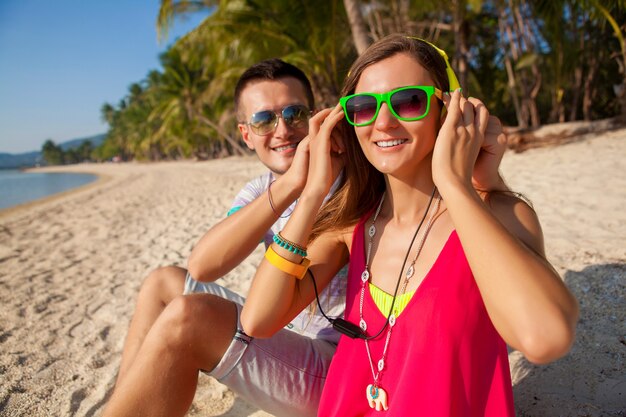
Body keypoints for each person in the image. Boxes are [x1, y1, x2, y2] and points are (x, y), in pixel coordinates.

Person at [241, 35, 579, 416]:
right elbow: (258, 319)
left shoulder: (496, 215)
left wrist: (456, 185)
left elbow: (544, 338)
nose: (384, 122)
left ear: (450, 111)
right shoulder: (352, 227)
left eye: (409, 101)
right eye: (364, 107)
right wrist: (313, 191)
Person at [103, 58, 347, 417]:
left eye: (294, 114)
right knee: (162, 282)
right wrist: (293, 183)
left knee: (190, 317)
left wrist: (308, 181)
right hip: (288, 332)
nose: (282, 130)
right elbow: (203, 266)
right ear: (246, 135)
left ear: (313, 117)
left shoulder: (350, 183)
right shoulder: (261, 191)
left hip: (335, 367)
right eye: (264, 120)